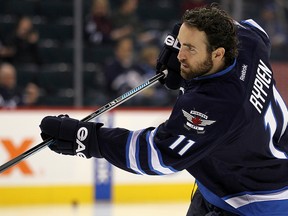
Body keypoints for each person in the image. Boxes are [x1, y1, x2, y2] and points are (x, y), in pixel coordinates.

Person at [39, 4, 288, 216]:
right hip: (230, 179)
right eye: (182, 44)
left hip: (251, 201)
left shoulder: (213, 106)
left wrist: (88, 139)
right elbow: (253, 27)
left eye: (190, 48)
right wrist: (177, 40)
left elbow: (158, 155)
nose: (180, 55)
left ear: (218, 53)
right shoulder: (247, 41)